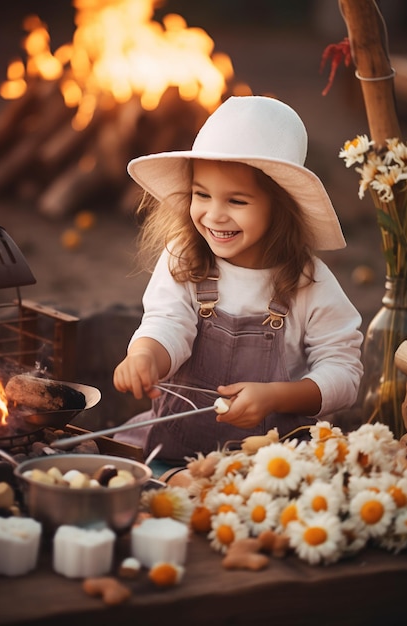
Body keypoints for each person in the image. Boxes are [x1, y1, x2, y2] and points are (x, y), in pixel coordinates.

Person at [113, 95, 363, 478]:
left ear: (281, 207)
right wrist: (147, 356)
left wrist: (276, 396)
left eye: (237, 200)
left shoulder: (309, 284)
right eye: (202, 194)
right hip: (175, 454)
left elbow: (343, 372)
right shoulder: (185, 258)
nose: (214, 214)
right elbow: (167, 321)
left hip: (272, 470)